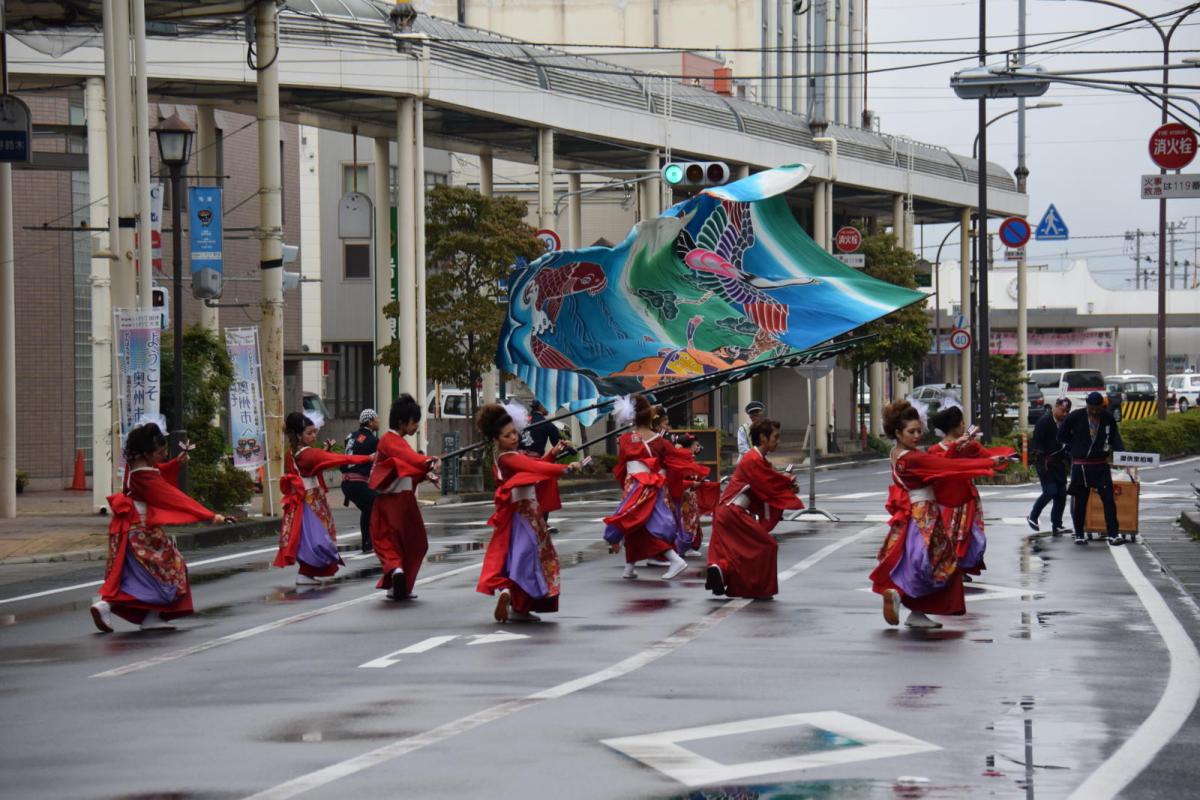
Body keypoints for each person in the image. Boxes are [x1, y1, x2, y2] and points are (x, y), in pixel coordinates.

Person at [870, 401, 1006, 629]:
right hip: (924, 515)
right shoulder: (912, 458)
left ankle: (914, 608)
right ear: (897, 433)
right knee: (936, 564)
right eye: (911, 432)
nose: (917, 435)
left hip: (914, 513)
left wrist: (957, 450)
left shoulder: (898, 453)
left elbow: (939, 463)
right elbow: (947, 468)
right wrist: (988, 463)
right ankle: (901, 595)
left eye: (918, 430)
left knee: (918, 562)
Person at [90, 423, 230, 632]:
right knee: (172, 567)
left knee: (132, 574)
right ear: (147, 453)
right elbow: (174, 498)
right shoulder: (146, 477)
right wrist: (209, 515)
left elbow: (159, 471)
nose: (164, 455)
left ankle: (112, 606)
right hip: (143, 530)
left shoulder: (134, 466)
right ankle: (144, 613)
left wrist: (174, 463)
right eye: (160, 452)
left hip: (128, 528)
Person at [476, 403, 584, 622]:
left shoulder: (510, 456)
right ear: (497, 439)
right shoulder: (508, 457)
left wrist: (553, 454)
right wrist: (567, 468)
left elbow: (534, 466)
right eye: (507, 436)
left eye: (514, 432)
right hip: (523, 515)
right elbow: (535, 469)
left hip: (522, 512)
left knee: (521, 557)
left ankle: (514, 599)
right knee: (528, 558)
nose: (514, 437)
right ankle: (513, 599)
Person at [705, 417, 803, 599]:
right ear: (763, 438)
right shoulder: (752, 459)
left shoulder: (758, 460)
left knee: (740, 549)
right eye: (776, 437)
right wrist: (787, 481)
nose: (778, 441)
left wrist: (787, 484)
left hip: (728, 511)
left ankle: (721, 570)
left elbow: (768, 483)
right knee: (767, 545)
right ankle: (759, 590)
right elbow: (769, 483)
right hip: (733, 511)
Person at [274, 412, 371, 586]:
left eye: (314, 432)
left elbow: (318, 463)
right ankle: (306, 572)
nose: (314, 436)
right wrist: (368, 458)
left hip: (306, 499)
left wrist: (323, 453)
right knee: (318, 539)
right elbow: (340, 459)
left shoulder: (292, 452)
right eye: (309, 433)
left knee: (310, 538)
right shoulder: (307, 454)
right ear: (298, 435)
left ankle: (307, 572)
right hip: (310, 501)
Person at [603, 395, 690, 580]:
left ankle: (674, 559)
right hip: (654, 487)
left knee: (637, 525)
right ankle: (629, 567)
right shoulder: (660, 441)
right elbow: (671, 463)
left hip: (634, 487)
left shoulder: (625, 440)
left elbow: (621, 467)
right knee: (637, 526)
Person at [925, 406, 1014, 582]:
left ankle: (953, 566)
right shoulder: (963, 446)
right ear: (956, 426)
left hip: (952, 496)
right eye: (962, 422)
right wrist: (1003, 458)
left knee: (955, 532)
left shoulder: (936, 449)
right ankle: (955, 566)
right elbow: (988, 458)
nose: (964, 425)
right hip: (958, 496)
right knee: (961, 532)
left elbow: (987, 458)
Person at [368, 394, 440, 600]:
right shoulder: (390, 441)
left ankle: (397, 573)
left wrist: (427, 470)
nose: (416, 425)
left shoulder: (393, 442)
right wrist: (428, 461)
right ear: (402, 422)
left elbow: (408, 466)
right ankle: (401, 579)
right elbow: (410, 460)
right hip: (400, 502)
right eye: (414, 422)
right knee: (410, 542)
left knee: (387, 541)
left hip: (392, 501)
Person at [1060, 391, 1125, 546]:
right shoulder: (1076, 416)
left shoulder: (1108, 418)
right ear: (1087, 406)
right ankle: (1079, 533)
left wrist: (1122, 455)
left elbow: (1115, 438)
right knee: (1081, 501)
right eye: (1092, 408)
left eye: (1098, 409)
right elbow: (1061, 436)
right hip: (1081, 465)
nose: (1095, 412)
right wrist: (1074, 446)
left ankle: (1113, 534)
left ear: (1102, 406)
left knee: (1109, 500)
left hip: (1100, 465)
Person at [662, 432, 713, 555]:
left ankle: (689, 546)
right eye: (696, 444)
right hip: (683, 494)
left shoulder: (688, 457)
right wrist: (691, 484)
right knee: (685, 522)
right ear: (689, 446)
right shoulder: (680, 458)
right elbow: (674, 480)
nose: (697, 447)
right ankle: (681, 547)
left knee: (692, 521)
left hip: (689, 494)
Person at [1027, 398, 1072, 535]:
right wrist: (1039, 458)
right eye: (1063, 410)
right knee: (1050, 491)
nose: (1065, 414)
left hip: (1059, 463)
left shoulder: (1065, 423)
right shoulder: (1044, 421)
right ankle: (1033, 516)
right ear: (1056, 407)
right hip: (1045, 463)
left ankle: (1057, 524)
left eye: (1067, 412)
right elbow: (1037, 442)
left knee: (1061, 495)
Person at [519, 400, 564, 533]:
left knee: (524, 493)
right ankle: (542, 522)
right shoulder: (546, 424)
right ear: (541, 406)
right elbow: (558, 442)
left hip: (519, 461)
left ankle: (525, 520)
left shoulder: (522, 421)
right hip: (536, 462)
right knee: (545, 490)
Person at [341, 408, 381, 553]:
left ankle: (368, 542)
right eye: (377, 418)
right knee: (378, 504)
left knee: (368, 509)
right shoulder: (372, 440)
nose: (379, 421)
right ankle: (372, 541)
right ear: (370, 422)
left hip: (346, 483)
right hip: (358, 482)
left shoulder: (350, 436)